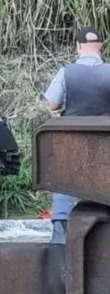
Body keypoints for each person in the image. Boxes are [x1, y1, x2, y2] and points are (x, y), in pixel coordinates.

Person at [43, 26, 110, 244]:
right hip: (104, 142)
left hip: (73, 141)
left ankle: (60, 230)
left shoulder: (66, 71)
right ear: (101, 47)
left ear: (78, 47)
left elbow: (53, 104)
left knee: (65, 178)